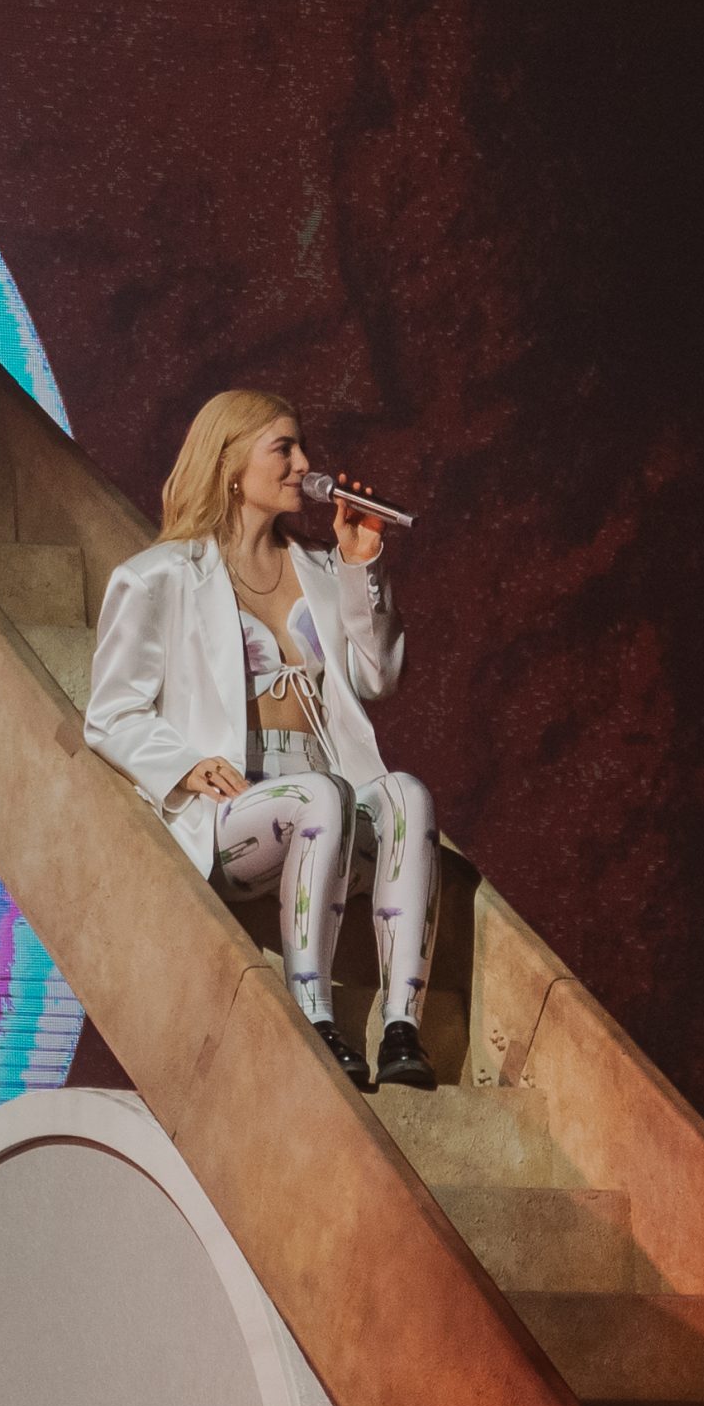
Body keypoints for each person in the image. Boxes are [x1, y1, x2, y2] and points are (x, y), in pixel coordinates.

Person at [83, 389, 440, 1090]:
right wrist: (185, 764)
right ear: (231, 465)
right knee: (321, 796)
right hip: (242, 805)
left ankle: (402, 1026)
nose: (305, 463)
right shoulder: (160, 577)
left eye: (301, 447)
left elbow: (379, 676)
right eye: (284, 448)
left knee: (405, 792)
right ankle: (313, 1017)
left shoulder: (318, 569)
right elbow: (110, 712)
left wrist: (362, 564)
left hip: (328, 789)